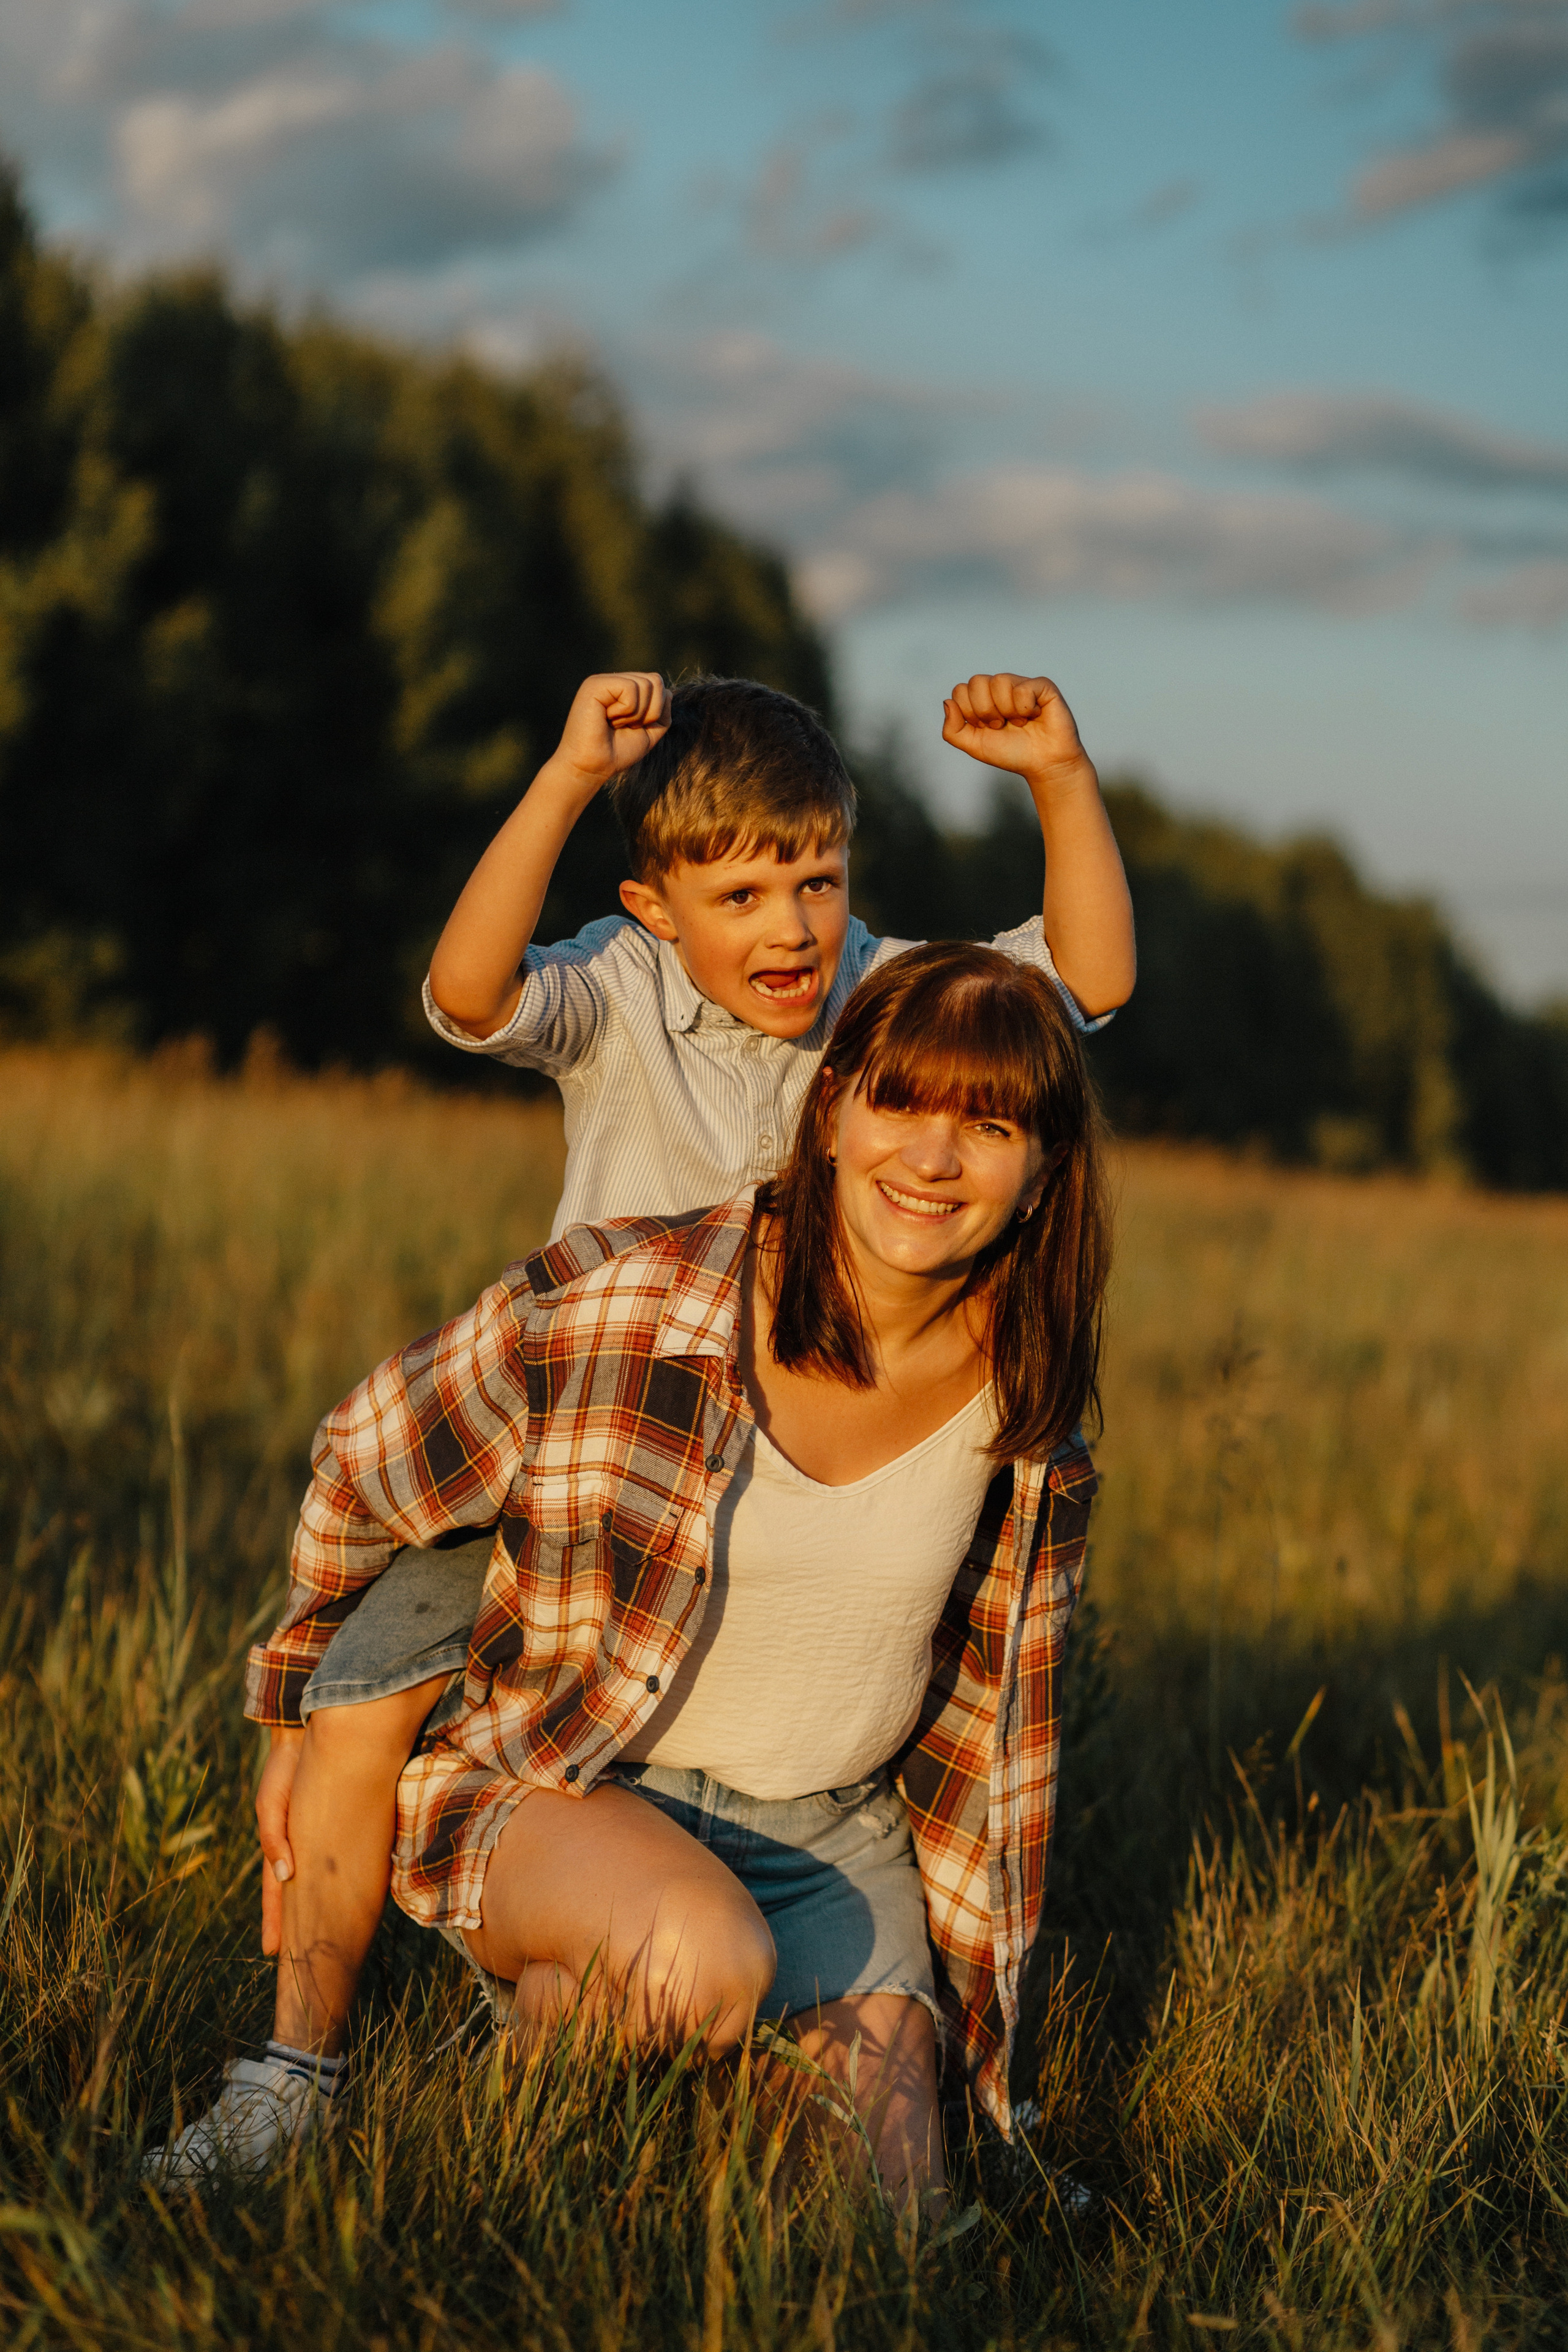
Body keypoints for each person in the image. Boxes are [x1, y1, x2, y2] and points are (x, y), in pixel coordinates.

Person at [148, 669, 1133, 2179]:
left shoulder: (878, 1001)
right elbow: (469, 996)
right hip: (565, 1441)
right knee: (360, 1706)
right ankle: (299, 2062)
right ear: (654, 905)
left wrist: (1059, 778)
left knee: (896, 2223)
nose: (790, 927)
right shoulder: (619, 984)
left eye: (816, 880)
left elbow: (1078, 984)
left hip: (724, 1490)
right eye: (741, 893)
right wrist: (558, 776)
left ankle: (642, 2027)